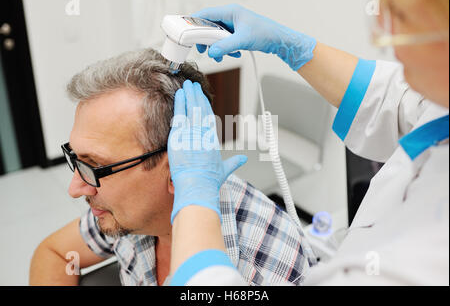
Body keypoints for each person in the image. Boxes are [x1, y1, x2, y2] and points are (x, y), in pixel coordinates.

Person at [168, 0, 449, 285]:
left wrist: (195, 200)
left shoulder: (429, 258)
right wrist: (290, 45)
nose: (383, 41)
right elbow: (392, 96)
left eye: (401, 18)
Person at [29, 48, 316, 286]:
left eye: (95, 166)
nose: (74, 188)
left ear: (175, 168)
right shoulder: (120, 209)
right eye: (76, 159)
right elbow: (53, 253)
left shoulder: (272, 265)